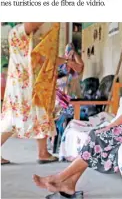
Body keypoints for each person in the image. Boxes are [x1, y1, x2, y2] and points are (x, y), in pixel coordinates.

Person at [32, 41, 122, 198]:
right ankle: (69, 183)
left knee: (97, 137)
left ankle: (59, 178)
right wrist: (111, 126)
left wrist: (111, 126)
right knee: (96, 137)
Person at [1, 23, 82, 165]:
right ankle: (43, 153)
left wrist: (67, 62)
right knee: (31, 115)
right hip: (29, 85)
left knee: (24, 117)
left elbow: (45, 59)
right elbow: (34, 25)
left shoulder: (31, 40)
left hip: (24, 85)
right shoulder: (19, 33)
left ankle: (43, 152)